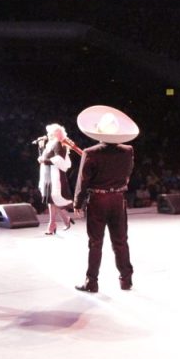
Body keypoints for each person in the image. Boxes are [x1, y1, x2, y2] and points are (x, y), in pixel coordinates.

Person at [72, 105, 138, 293]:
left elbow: (83, 181)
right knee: (120, 240)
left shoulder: (90, 152)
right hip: (118, 198)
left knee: (95, 242)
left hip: (98, 200)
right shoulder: (128, 150)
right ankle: (126, 280)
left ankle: (91, 282)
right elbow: (128, 173)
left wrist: (78, 202)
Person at [38, 123, 74, 235]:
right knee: (51, 200)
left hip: (56, 176)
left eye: (50, 133)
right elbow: (44, 158)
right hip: (48, 175)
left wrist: (44, 161)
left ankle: (54, 224)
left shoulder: (58, 143)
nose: (48, 134)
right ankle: (62, 220)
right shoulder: (50, 144)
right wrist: (41, 147)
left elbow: (59, 159)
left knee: (53, 199)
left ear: (55, 134)